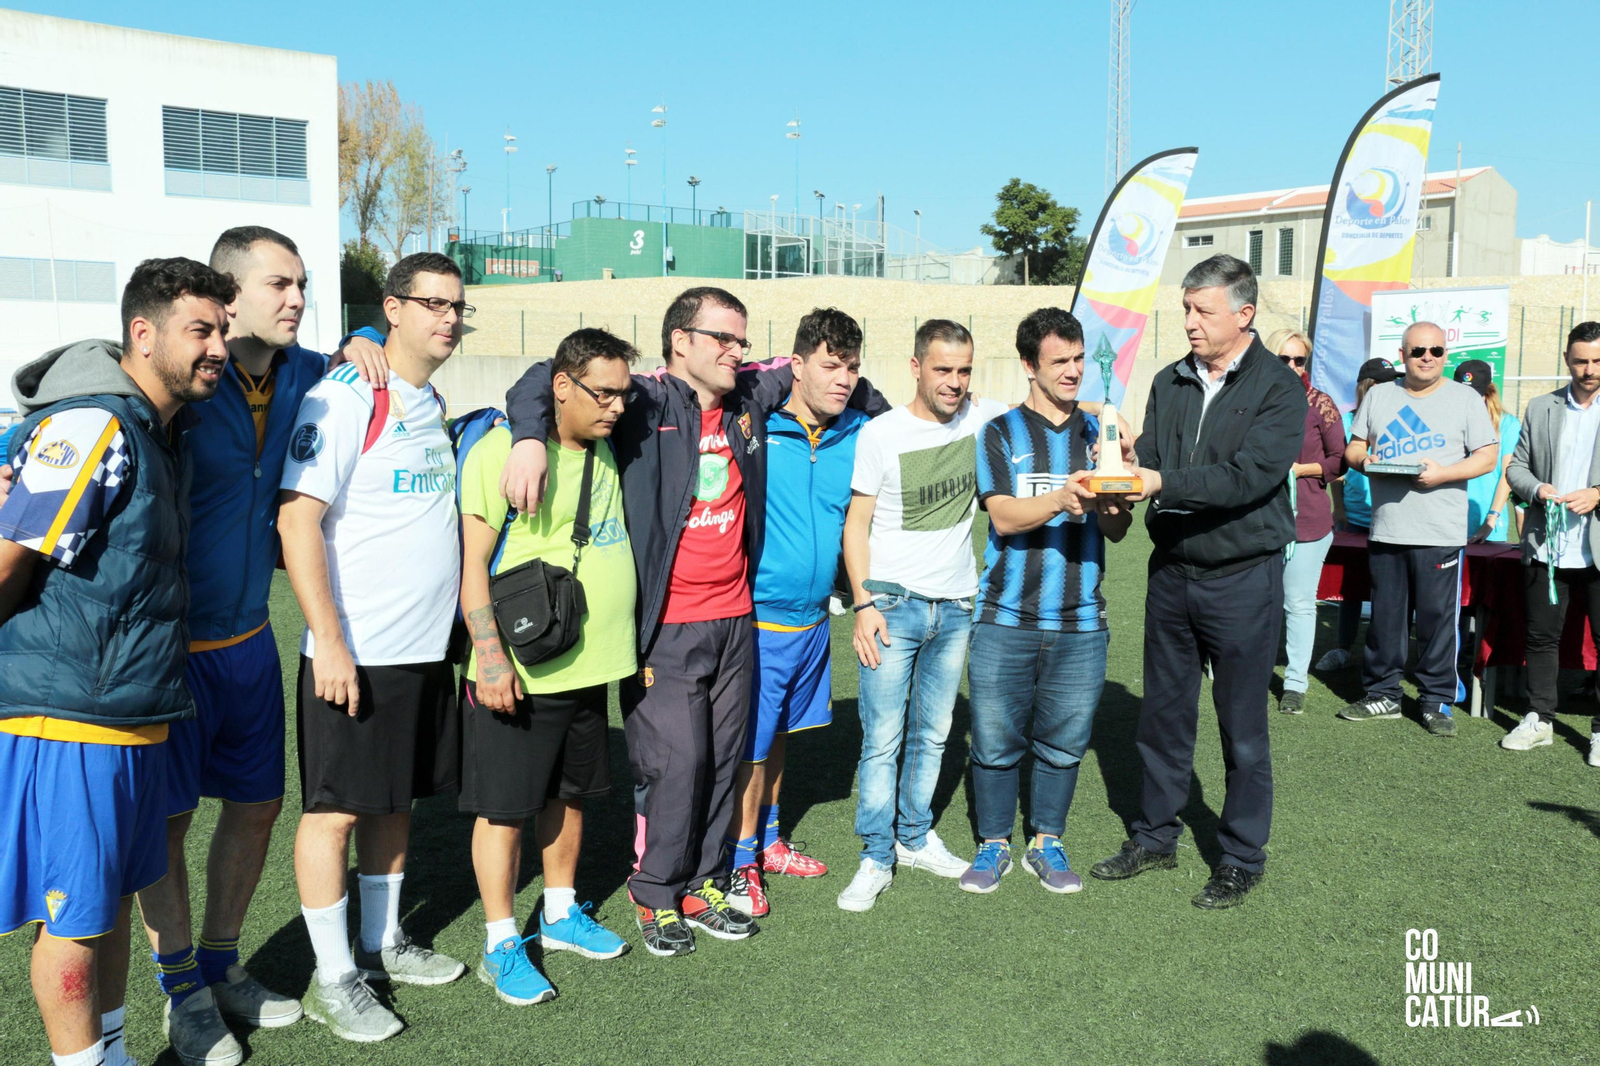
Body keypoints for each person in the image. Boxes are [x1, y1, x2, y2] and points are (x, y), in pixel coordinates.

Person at [501, 287, 885, 955]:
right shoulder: (643, 401)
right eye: (722, 340)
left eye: (742, 341)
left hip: (736, 618)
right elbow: (543, 376)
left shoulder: (747, 398)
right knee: (675, 762)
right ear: (680, 342)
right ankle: (653, 891)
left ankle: (704, 883)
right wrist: (529, 438)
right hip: (668, 624)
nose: (737, 352)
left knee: (724, 760)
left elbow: (845, 380)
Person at [131, 227, 382, 1066]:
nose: (299, 299)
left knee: (258, 807)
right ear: (228, 297)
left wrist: (370, 337)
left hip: (248, 643)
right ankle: (180, 991)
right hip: (164, 652)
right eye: (281, 285)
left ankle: (221, 963)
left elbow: (371, 355)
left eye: (304, 285)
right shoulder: (179, 377)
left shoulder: (312, 372)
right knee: (166, 827)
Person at [0, 258, 235, 1066]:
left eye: (222, 332)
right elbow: (6, 564)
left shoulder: (161, 431)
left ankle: (112, 1053)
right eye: (200, 330)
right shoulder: (94, 426)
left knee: (99, 915)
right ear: (143, 333)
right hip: (71, 718)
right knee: (71, 924)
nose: (217, 348)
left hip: (130, 714)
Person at [278, 252, 470, 1043]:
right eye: (431, 304)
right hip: (355, 649)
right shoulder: (346, 394)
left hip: (422, 652)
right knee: (334, 814)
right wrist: (328, 640)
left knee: (397, 802)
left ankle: (383, 940)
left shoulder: (429, 396)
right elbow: (297, 520)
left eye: (457, 305)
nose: (448, 318)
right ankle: (334, 978)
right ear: (392, 309)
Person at [1088, 254, 1305, 910]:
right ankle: (1155, 836)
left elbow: (1250, 476)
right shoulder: (1169, 381)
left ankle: (1240, 857)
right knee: (1163, 716)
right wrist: (1128, 462)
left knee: (1241, 728)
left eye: (1202, 311)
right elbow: (1153, 458)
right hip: (1172, 574)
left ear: (1244, 315)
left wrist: (1157, 481)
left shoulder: (1278, 387)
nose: (1188, 323)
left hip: (1243, 578)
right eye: (1185, 308)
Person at [458, 328, 637, 1005]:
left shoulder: (609, 442)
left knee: (570, 795)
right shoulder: (503, 449)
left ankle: (560, 914)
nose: (616, 407)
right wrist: (489, 658)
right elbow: (472, 563)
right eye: (603, 393)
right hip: (522, 672)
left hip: (591, 668)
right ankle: (500, 941)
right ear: (559, 387)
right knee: (504, 810)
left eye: (623, 393)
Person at [837, 319, 1010, 913]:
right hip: (891, 607)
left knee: (933, 736)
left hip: (958, 608)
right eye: (943, 369)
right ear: (916, 368)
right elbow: (855, 524)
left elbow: (1045, 406)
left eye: (964, 371)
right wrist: (862, 604)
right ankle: (875, 854)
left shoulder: (983, 419)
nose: (955, 382)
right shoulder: (881, 434)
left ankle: (913, 838)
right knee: (882, 739)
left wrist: (1106, 419)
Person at [959, 308, 1131, 896]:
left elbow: (1116, 532)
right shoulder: (1001, 432)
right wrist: (1062, 498)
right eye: (1060, 361)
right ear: (1030, 365)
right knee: (995, 737)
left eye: (1079, 359)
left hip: (1082, 619)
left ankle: (1047, 841)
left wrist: (1113, 493)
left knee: (1064, 740)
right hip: (1006, 616)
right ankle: (992, 844)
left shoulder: (1098, 431)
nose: (1073, 371)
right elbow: (1003, 517)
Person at [723, 309, 869, 918]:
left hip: (814, 619)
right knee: (749, 748)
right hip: (756, 619)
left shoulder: (860, 432)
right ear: (797, 365)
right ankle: (738, 861)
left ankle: (773, 839)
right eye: (830, 365)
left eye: (853, 368)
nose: (842, 379)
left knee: (780, 735)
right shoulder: (755, 425)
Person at [1339, 322, 1498, 736]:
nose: (1427, 357)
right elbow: (1354, 447)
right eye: (1418, 350)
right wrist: (1364, 461)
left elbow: (1487, 457)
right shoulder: (1379, 394)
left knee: (1436, 622)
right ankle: (1383, 694)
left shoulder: (1464, 398)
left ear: (1445, 354)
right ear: (1403, 353)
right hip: (1388, 528)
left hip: (1439, 531)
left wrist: (1443, 474)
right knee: (1386, 621)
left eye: (1436, 351)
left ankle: (1436, 701)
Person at [1502, 321, 1600, 761]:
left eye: (1597, 361)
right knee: (1542, 638)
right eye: (1580, 360)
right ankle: (1540, 718)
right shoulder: (1541, 406)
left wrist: (1599, 494)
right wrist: (1537, 489)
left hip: (1596, 546)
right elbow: (1516, 467)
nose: (1589, 369)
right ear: (1567, 360)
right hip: (1547, 544)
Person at [1265, 328, 1345, 715]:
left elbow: (1340, 458)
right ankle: (1244, 668)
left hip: (1308, 521)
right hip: (1257, 519)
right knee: (1254, 601)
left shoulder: (1320, 403)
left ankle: (1295, 681)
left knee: (1298, 603)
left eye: (1300, 360)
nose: (1293, 367)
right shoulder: (1251, 400)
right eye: (1284, 359)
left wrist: (1300, 470)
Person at [1316, 358, 1398, 672]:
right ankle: (1341, 648)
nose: (1393, 388)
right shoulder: (1347, 421)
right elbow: (1337, 472)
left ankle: (1383, 656)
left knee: (1388, 592)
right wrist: (1339, 509)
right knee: (1349, 589)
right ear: (1368, 386)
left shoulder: (1399, 420)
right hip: (1354, 520)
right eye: (1385, 382)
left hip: (1391, 520)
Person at [1457, 360, 1521, 545]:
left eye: (1475, 394)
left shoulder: (1508, 424)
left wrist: (1490, 519)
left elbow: (1506, 476)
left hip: (1488, 527)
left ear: (1488, 393)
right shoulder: (1448, 422)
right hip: (1449, 524)